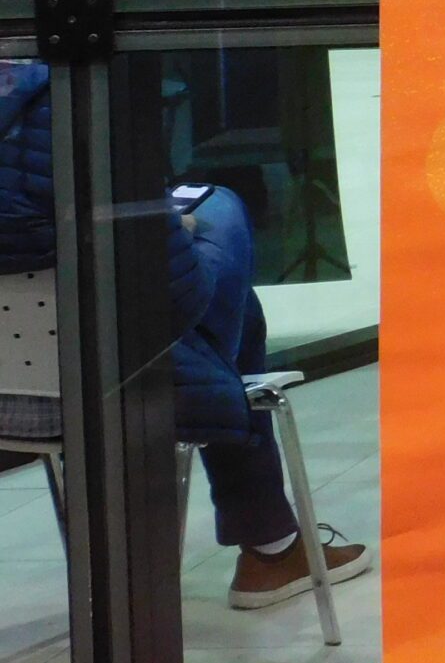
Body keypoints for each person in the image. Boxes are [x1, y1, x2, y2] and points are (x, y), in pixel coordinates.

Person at [0, 62, 372, 604]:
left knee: (225, 309)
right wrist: (173, 227)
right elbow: (173, 304)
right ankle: (270, 547)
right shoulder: (74, 108)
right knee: (221, 215)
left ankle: (271, 546)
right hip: (111, 386)